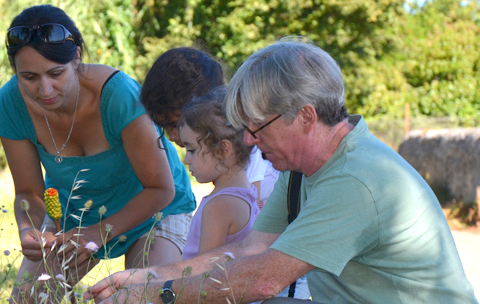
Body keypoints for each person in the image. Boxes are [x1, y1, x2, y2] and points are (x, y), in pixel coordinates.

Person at [85, 38, 479, 303]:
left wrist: (161, 294)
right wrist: (150, 277)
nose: (250, 142)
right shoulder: (302, 166)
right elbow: (250, 248)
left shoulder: (355, 180)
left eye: (257, 127)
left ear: (305, 117)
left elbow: (263, 278)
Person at [0, 5, 196, 302]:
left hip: (153, 209)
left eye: (56, 73)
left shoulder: (118, 95)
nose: (44, 89)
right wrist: (31, 230)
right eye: (28, 77)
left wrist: (96, 234)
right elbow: (29, 193)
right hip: (76, 216)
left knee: (139, 295)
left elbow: (161, 189)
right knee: (29, 297)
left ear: (76, 56)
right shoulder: (10, 104)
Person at [141, 47, 278, 206]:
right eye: (163, 127)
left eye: (174, 125)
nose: (172, 136)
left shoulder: (243, 143)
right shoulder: (222, 148)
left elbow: (250, 215)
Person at [176, 87, 260, 261]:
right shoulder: (247, 193)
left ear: (223, 150)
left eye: (191, 150)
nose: (186, 160)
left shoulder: (219, 206)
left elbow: (203, 275)